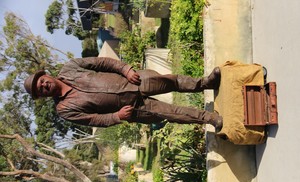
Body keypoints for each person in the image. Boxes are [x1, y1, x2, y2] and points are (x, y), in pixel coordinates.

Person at [24, 57, 223, 131]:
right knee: (173, 113)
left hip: (134, 81)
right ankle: (209, 118)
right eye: (39, 89)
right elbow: (94, 120)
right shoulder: (64, 109)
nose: (43, 85)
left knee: (173, 81)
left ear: (46, 75)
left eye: (41, 81)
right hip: (133, 109)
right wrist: (117, 117)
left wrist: (126, 69)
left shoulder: (70, 67)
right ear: (42, 96)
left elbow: (103, 63)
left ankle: (206, 83)